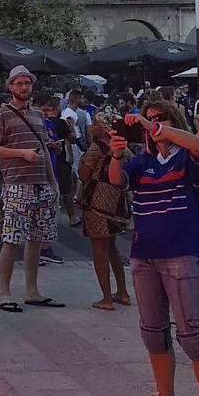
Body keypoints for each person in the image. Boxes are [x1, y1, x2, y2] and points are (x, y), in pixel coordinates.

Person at [108, 101, 199, 396]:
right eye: (150, 119)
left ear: (173, 122)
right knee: (152, 330)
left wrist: (153, 125)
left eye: (161, 118)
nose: (152, 125)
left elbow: (198, 145)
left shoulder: (187, 157)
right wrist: (117, 154)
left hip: (182, 254)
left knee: (192, 332)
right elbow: (116, 181)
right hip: (145, 254)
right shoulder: (142, 162)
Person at [0, 66, 63, 313]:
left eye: (27, 83)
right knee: (11, 239)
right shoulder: (2, 114)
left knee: (36, 238)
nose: (23, 87)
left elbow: (42, 148)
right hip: (16, 183)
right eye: (19, 83)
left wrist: (53, 183)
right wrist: (21, 153)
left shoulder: (38, 116)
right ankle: (4, 292)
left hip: (40, 184)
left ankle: (32, 290)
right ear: (10, 86)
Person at [76, 107, 131, 310]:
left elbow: (83, 175)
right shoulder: (123, 148)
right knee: (112, 248)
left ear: (105, 128)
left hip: (97, 202)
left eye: (96, 124)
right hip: (116, 202)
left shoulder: (96, 148)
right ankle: (122, 292)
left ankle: (106, 298)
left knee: (99, 251)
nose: (92, 127)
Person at [38, 92, 79, 241]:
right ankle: (72, 216)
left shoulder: (41, 122)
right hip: (59, 160)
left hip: (45, 161)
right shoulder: (61, 123)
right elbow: (72, 139)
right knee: (66, 190)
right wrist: (72, 127)